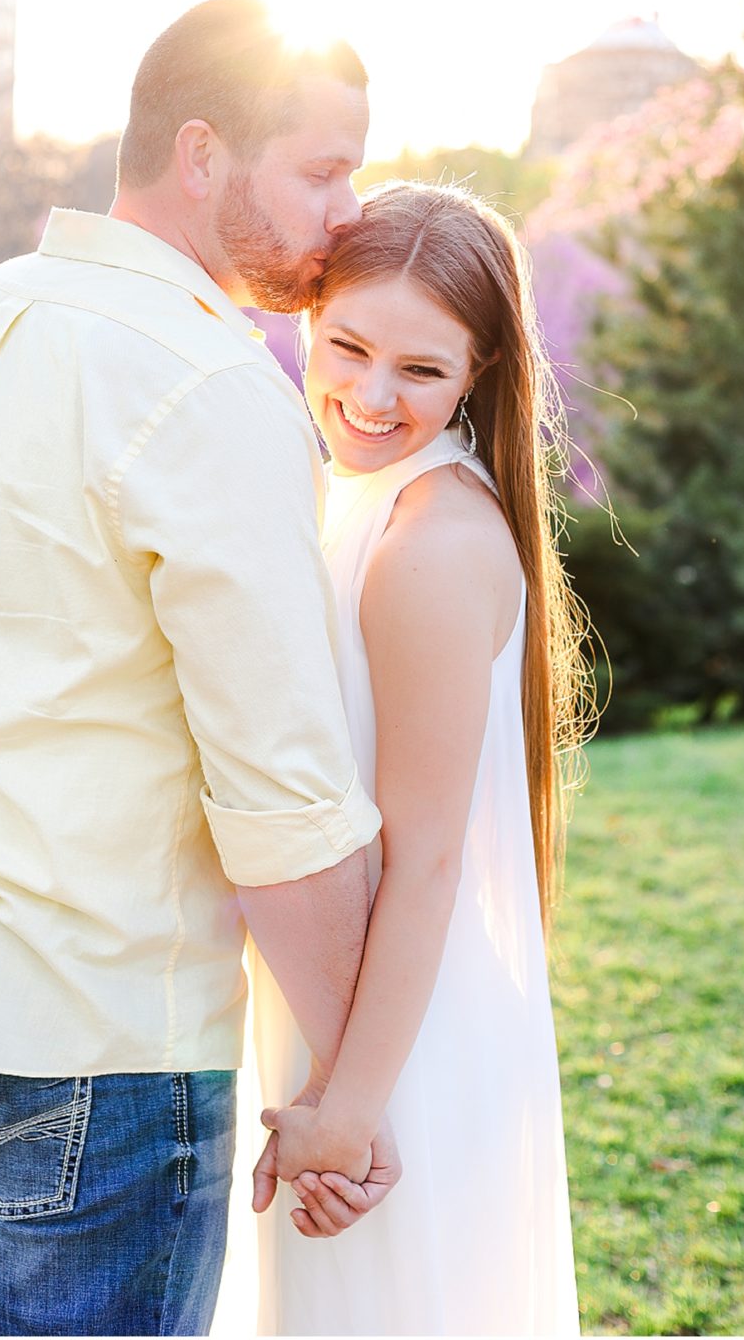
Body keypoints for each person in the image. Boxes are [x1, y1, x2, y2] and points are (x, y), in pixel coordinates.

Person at [0, 0, 400, 1339]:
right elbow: (278, 797)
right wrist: (351, 1091)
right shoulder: (209, 383)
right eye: (319, 171)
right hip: (94, 1029)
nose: (345, 213)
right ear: (203, 155)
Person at [247, 181, 593, 1336]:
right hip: (338, 1000)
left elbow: (427, 857)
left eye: (423, 370)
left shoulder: (431, 541)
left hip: (399, 1038)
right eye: (346, 345)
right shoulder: (354, 500)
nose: (370, 394)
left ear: (480, 374)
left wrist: (349, 1107)